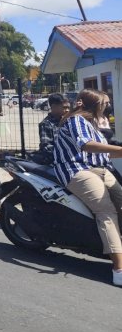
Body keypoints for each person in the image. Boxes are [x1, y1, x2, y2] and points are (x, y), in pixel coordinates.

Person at [53, 89, 122, 286]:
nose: (107, 106)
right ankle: (118, 270)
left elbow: (106, 154)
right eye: (104, 102)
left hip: (101, 169)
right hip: (76, 170)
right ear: (91, 103)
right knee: (106, 211)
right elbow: (86, 145)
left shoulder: (94, 124)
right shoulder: (76, 120)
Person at [35, 93, 70, 164]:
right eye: (64, 107)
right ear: (53, 107)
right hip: (53, 161)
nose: (67, 110)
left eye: (68, 108)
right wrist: (66, 152)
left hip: (67, 158)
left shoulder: (67, 121)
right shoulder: (46, 124)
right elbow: (47, 147)